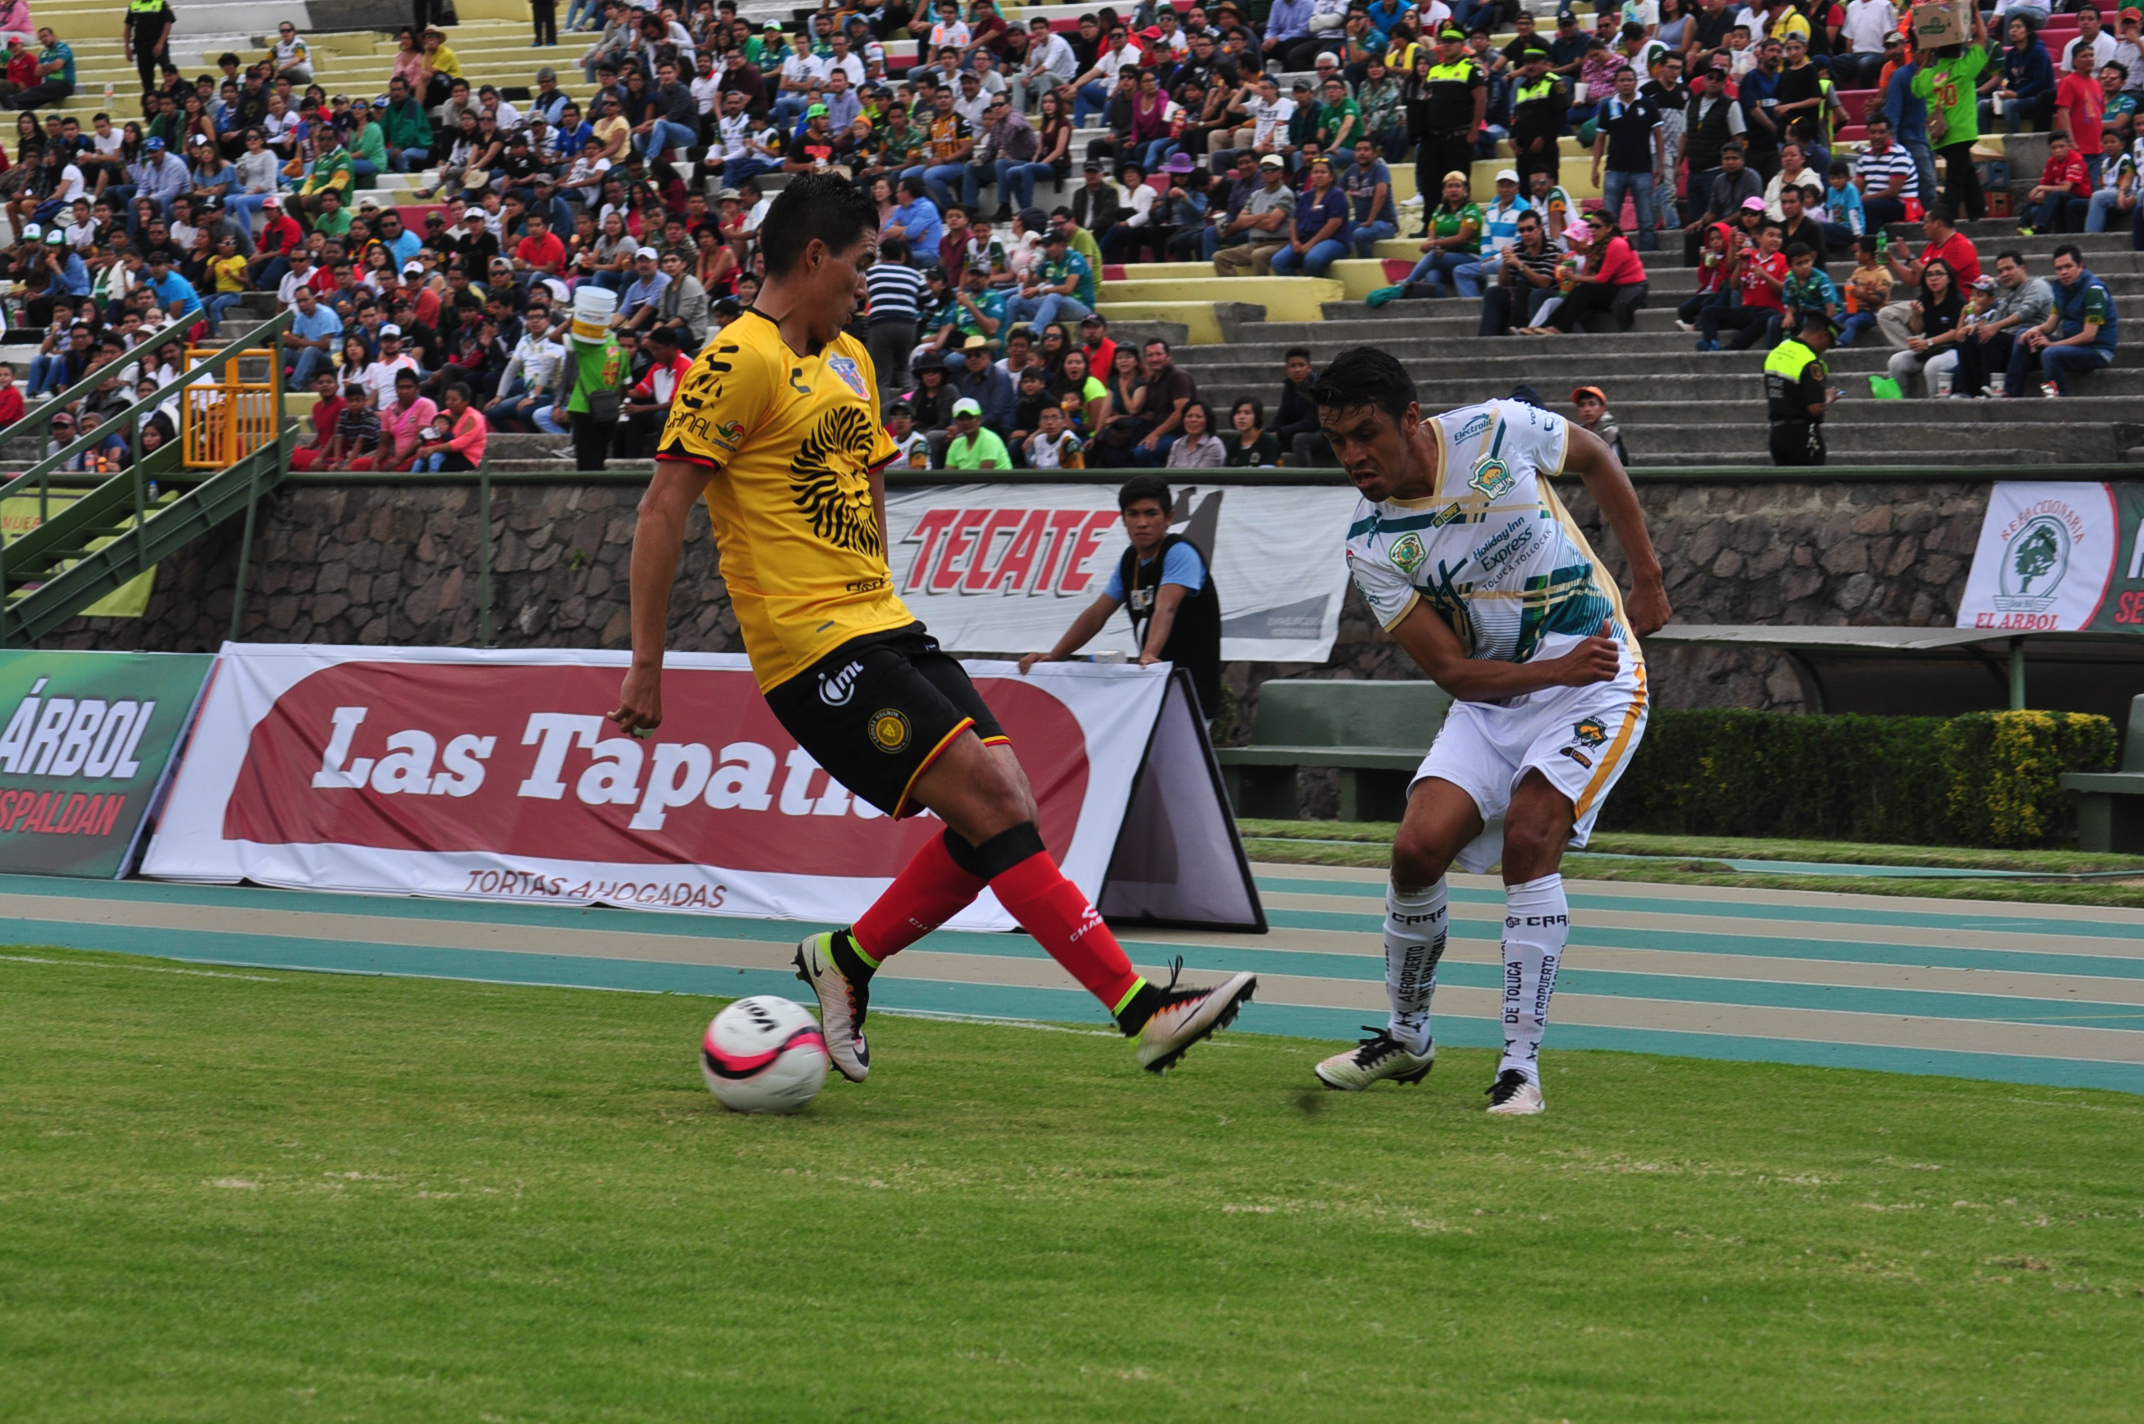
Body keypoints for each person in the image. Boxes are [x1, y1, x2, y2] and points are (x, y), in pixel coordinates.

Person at [614, 173, 1255, 1084]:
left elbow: (867, 477)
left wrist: (882, 582)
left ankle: (848, 960)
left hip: (882, 623)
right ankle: (1142, 1010)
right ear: (812, 257)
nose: (871, 283)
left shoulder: (851, 360)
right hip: (812, 647)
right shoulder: (736, 359)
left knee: (1009, 802)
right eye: (862, 262)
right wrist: (648, 664)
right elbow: (661, 510)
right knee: (993, 807)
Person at [1307, 348, 1670, 1114]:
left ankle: (1520, 1070)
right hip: (1502, 695)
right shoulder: (1371, 543)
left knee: (1531, 837)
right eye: (1337, 442)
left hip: (1598, 685)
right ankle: (1407, 1040)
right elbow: (1454, 675)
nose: (1353, 457)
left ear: (1411, 418)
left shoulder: (1499, 429)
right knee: (1414, 849)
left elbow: (1597, 457)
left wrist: (1647, 578)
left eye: (1365, 434)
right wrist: (1551, 673)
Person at [1020, 475, 1223, 717]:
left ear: (1169, 518)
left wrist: (1149, 655)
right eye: (1133, 514)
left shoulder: (1180, 552)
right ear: (1123, 519)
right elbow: (1097, 615)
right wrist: (1055, 655)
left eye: (1151, 513)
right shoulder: (1130, 560)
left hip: (1191, 694)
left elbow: (1165, 608)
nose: (1142, 523)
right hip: (1155, 687)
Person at [2004, 242, 2121, 397]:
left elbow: (2089, 335)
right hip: (2072, 346)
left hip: (2097, 351)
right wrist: (2035, 330)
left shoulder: (2094, 291)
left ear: (2080, 266)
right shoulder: (2061, 288)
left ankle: (2058, 396)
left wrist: (2052, 344)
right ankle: (2011, 393)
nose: (2064, 272)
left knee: (2050, 353)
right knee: (2023, 335)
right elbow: (2050, 325)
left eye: (2068, 266)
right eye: (2059, 268)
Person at [1912, 9, 1992, 220]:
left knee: (1966, 172)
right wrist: (1974, 11)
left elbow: (1916, 87)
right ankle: (1945, 217)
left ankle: (1978, 211)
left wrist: (1927, 53)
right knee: (1956, 178)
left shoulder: (1930, 75)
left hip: (1940, 134)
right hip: (1961, 131)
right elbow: (1983, 39)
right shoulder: (1965, 68)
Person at [1884, 256, 1965, 396]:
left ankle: (1934, 407)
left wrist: (1929, 342)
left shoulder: (1958, 301)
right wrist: (1917, 315)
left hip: (1953, 349)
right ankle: (1900, 405)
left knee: (1933, 366)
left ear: (1949, 278)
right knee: (1896, 361)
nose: (1933, 278)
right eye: (1929, 274)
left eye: (1939, 274)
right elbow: (1917, 329)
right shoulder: (1925, 299)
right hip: (1928, 350)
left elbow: (1955, 332)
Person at [1763, 309, 1837, 464]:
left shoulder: (1777, 351)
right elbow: (1815, 407)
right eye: (1828, 344)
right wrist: (1828, 398)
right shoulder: (1810, 361)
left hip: (1777, 434)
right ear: (1822, 335)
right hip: (1802, 435)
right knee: (1812, 485)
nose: (1825, 349)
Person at [1569, 384, 1628, 463]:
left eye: (1592, 404)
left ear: (1603, 408)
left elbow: (1616, 464)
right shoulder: (1579, 433)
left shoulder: (1610, 433)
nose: (1587, 409)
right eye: (1582, 405)